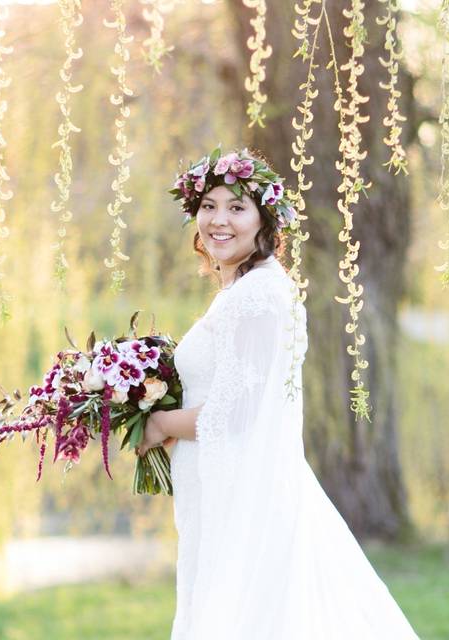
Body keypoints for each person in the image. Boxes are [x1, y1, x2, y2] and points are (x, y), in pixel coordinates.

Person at [135, 145, 421, 639]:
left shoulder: (261, 295)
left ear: (265, 222)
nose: (218, 220)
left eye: (237, 207)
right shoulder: (241, 292)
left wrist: (159, 422)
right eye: (208, 206)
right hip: (224, 490)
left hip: (247, 497)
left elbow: (237, 411)